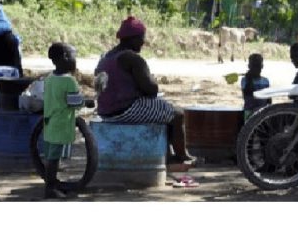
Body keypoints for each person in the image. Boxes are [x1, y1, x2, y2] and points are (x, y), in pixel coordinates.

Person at [94, 15, 195, 165]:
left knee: (161, 109)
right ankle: (182, 155)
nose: (143, 42)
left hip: (105, 112)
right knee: (177, 114)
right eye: (141, 38)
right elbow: (151, 89)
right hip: (126, 110)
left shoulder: (106, 57)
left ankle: (167, 154)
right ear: (133, 38)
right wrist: (151, 80)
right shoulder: (132, 58)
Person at [42, 42, 91, 199]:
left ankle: (51, 184)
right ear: (65, 57)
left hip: (49, 122)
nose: (75, 60)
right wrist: (86, 102)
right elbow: (74, 103)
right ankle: (50, 188)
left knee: (50, 156)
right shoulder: (69, 81)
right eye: (73, 56)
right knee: (54, 158)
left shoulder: (50, 78)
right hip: (61, 123)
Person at [241, 53, 271, 119]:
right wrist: (249, 79)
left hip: (263, 113)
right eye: (254, 66)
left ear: (262, 66)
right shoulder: (245, 80)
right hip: (249, 112)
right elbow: (247, 95)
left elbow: (269, 100)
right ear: (249, 66)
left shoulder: (266, 81)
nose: (255, 69)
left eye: (257, 66)